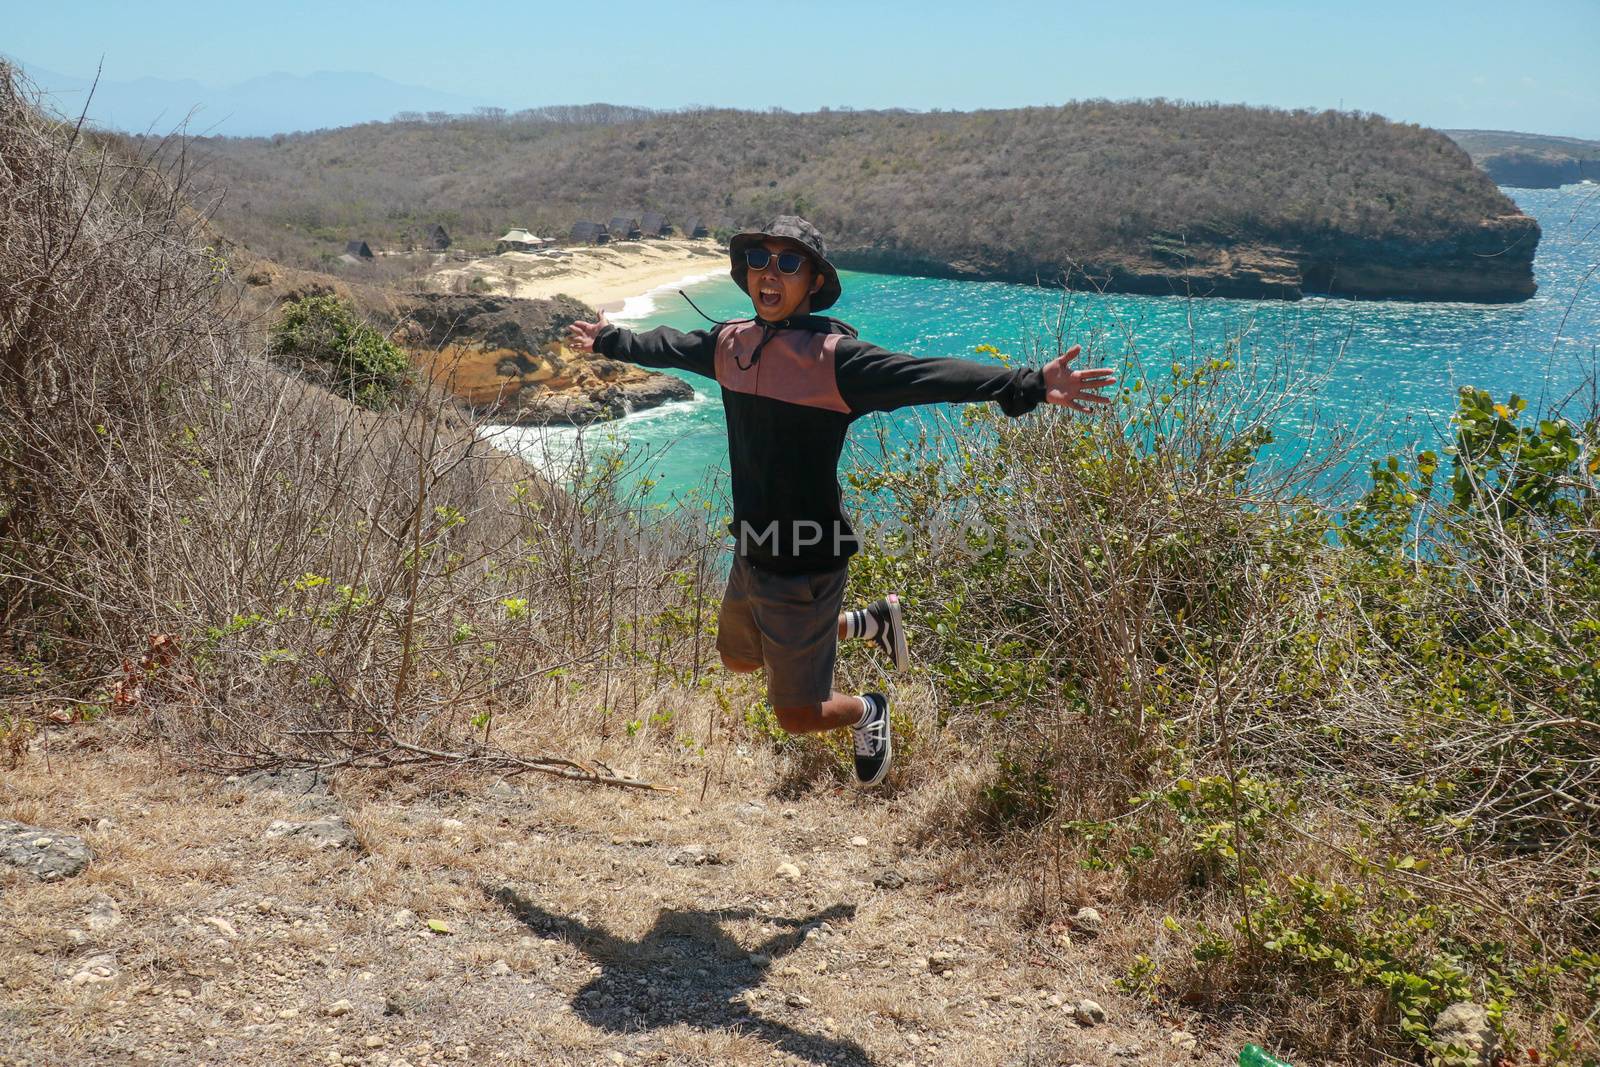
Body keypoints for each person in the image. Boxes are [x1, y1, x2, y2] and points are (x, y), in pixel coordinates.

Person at [566, 216, 1115, 787]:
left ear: (812, 282)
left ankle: (868, 709)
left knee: (796, 715)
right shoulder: (731, 345)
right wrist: (607, 339)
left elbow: (925, 375)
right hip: (752, 547)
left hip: (808, 559)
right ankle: (869, 623)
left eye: (787, 263)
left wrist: (1025, 383)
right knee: (739, 659)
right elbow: (669, 345)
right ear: (744, 274)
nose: (769, 274)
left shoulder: (836, 361)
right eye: (759, 261)